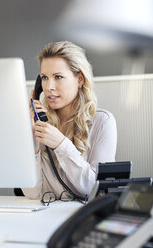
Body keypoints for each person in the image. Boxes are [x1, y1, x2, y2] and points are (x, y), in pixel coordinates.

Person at [22, 41, 117, 201]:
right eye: (44, 78)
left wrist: (61, 145)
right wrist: (31, 139)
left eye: (58, 77)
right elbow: (33, 194)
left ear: (79, 79)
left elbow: (95, 189)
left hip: (81, 218)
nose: (49, 87)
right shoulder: (39, 124)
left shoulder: (102, 122)